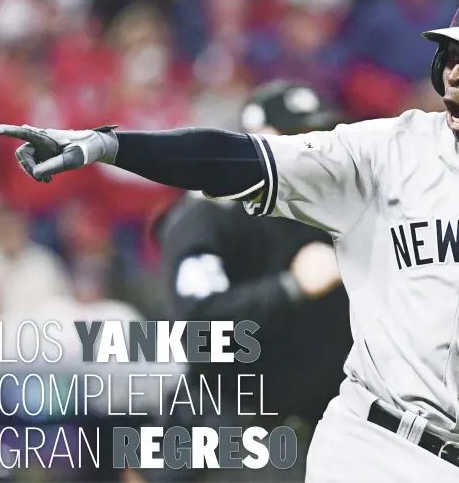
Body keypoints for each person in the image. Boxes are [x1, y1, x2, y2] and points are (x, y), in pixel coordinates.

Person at [0, 0, 459, 483]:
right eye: (449, 57)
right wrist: (108, 144)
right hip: (364, 443)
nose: (453, 74)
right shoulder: (389, 150)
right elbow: (237, 158)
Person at [144, 80, 351, 482]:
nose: (313, 150)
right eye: (296, 137)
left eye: (318, 137)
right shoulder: (210, 216)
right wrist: (289, 288)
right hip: (232, 439)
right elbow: (196, 329)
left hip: (321, 437)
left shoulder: (334, 215)